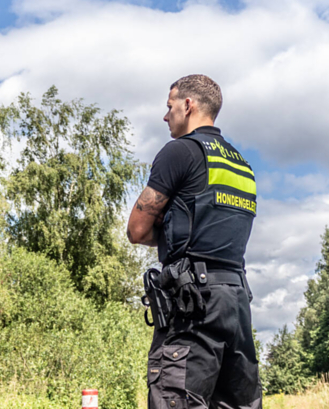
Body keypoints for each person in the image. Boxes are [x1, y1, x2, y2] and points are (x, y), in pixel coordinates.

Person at [127, 74, 261, 409]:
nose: (165, 115)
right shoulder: (243, 166)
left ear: (188, 105)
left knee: (176, 398)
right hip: (236, 301)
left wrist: (167, 225)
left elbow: (137, 230)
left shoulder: (180, 152)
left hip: (193, 304)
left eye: (169, 106)